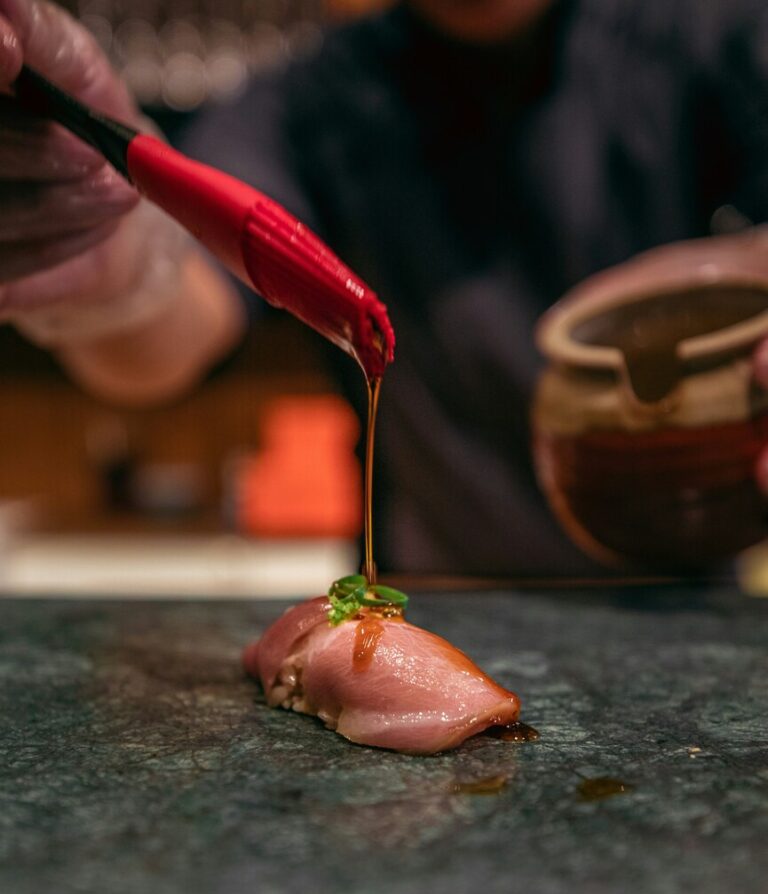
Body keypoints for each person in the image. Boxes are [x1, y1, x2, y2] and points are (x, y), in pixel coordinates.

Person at [1, 0, 768, 577]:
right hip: (436, 601)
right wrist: (112, 269)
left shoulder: (706, 40)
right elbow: (177, 321)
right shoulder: (312, 103)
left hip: (691, 598)